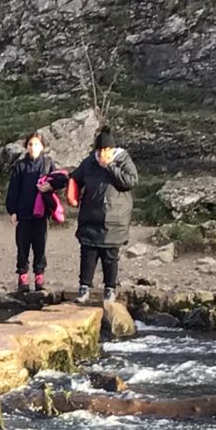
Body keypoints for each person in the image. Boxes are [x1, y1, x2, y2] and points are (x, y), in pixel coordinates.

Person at [69, 126, 138, 304]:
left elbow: (130, 181)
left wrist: (111, 166)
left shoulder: (123, 160)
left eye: (107, 150)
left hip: (115, 219)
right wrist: (70, 192)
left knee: (110, 256)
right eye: (100, 150)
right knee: (88, 253)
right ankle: (84, 288)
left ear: (113, 149)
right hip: (90, 216)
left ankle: (110, 289)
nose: (103, 153)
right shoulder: (89, 162)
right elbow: (75, 177)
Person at [4, 132, 62, 298]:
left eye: (36, 144)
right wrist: (12, 210)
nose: (33, 147)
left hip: (41, 214)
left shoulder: (48, 164)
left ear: (42, 146)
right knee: (22, 247)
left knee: (40, 246)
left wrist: (50, 187)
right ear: (26, 146)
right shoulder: (20, 166)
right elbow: (13, 189)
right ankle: (22, 278)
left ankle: (39, 278)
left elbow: (60, 180)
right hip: (23, 213)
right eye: (30, 144)